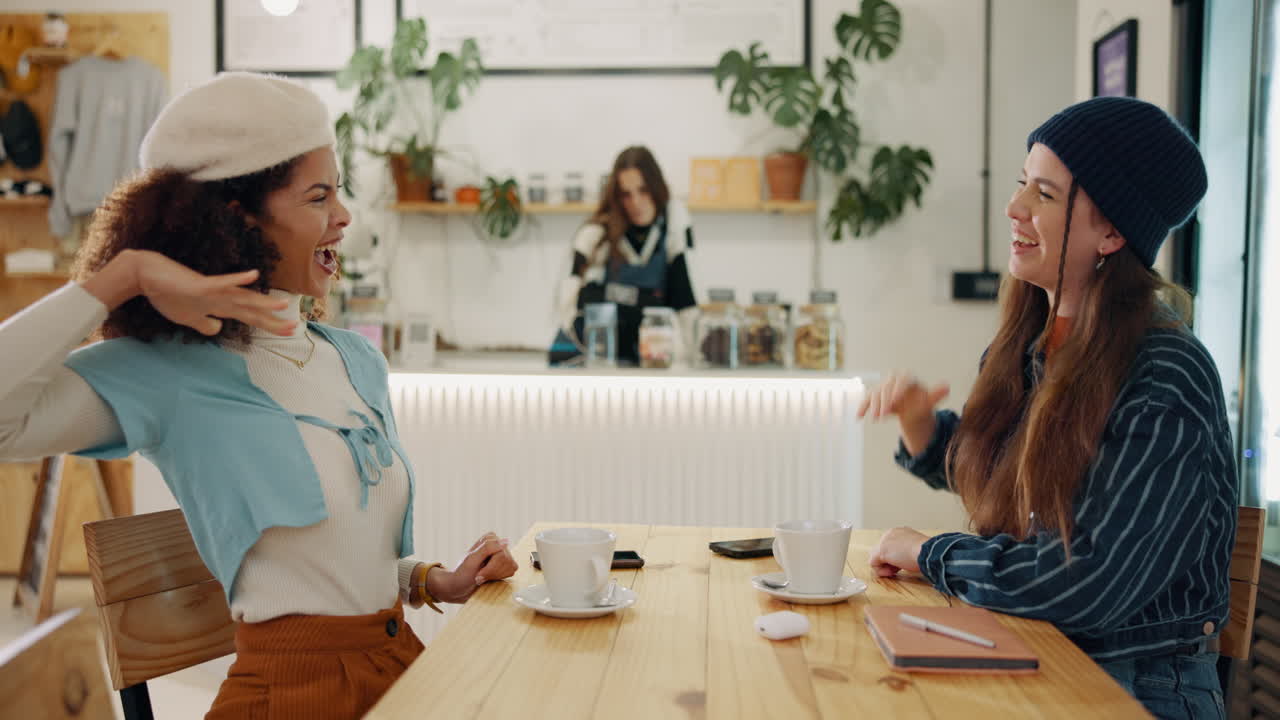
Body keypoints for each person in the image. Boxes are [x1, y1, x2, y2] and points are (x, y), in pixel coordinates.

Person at [0, 72, 517, 719]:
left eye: (339, 192)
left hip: (397, 670)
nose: (344, 216)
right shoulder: (168, 373)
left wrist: (432, 580)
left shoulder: (354, 360)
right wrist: (124, 277)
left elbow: (325, 558)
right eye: (318, 197)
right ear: (240, 220)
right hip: (290, 696)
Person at [858, 97, 1234, 718]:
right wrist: (924, 428)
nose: (1015, 207)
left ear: (1112, 233)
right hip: (1036, 647)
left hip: (1137, 687)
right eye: (1021, 183)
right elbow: (1016, 477)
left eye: (1045, 194)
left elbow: (1090, 583)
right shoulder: (1035, 344)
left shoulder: (1165, 373)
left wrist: (932, 554)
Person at [553, 145, 697, 365]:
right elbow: (577, 302)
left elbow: (685, 304)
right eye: (626, 194)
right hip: (601, 359)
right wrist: (644, 300)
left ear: (656, 188)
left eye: (643, 190)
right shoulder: (596, 235)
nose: (636, 202)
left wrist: (693, 359)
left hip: (655, 358)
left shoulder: (672, 231)